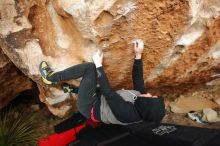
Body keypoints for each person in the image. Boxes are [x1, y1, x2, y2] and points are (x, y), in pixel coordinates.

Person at [39, 39, 165, 125]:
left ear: (146, 106)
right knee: (95, 86)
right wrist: (138, 55)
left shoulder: (128, 114)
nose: (149, 94)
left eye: (151, 97)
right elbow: (138, 78)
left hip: (90, 106)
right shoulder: (141, 99)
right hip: (101, 99)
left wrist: (98, 65)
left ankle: (51, 78)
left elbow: (108, 93)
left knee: (90, 68)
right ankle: (71, 89)